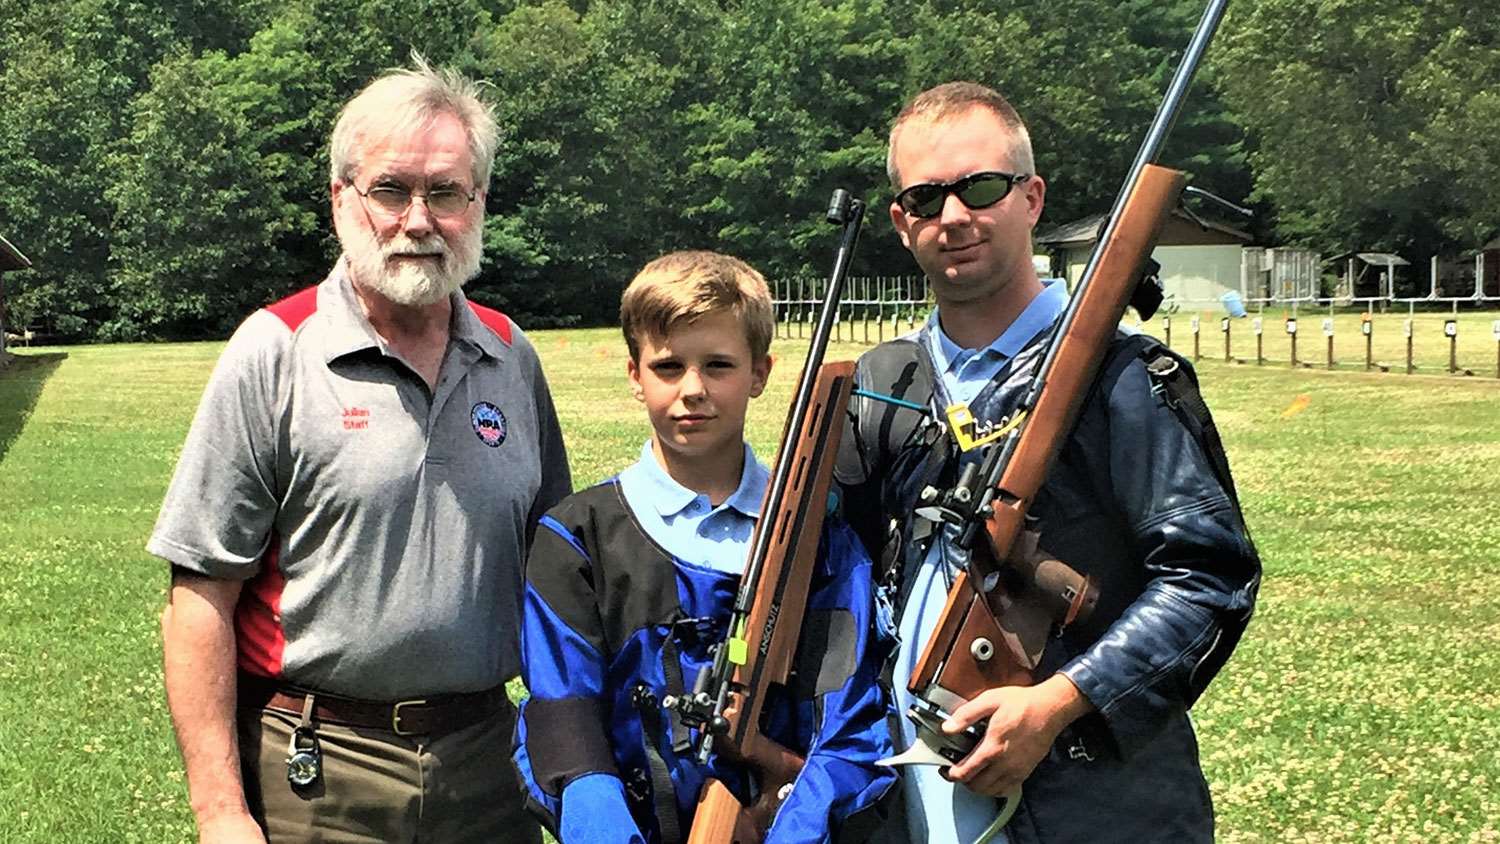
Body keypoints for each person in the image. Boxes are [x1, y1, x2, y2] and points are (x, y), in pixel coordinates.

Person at [150, 56, 570, 843]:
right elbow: (199, 600)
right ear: (343, 197)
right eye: (391, 189)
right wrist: (220, 812)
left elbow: (555, 574)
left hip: (487, 761)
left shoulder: (511, 357)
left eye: (445, 192)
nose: (419, 219)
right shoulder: (274, 350)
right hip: (316, 770)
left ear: (477, 203)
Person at [834, 81, 1261, 842]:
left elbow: (1210, 581)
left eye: (982, 188)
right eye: (928, 199)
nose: (955, 217)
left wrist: (1060, 702)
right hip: (908, 803)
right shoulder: (880, 381)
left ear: (1031, 199)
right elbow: (838, 580)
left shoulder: (1126, 376)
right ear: (902, 223)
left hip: (1093, 808)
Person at [512, 251, 896, 843]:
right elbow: (564, 714)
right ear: (635, 376)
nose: (693, 390)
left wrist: (790, 830)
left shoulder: (820, 542)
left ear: (761, 374)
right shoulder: (577, 538)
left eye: (719, 365)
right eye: (668, 367)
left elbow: (845, 729)